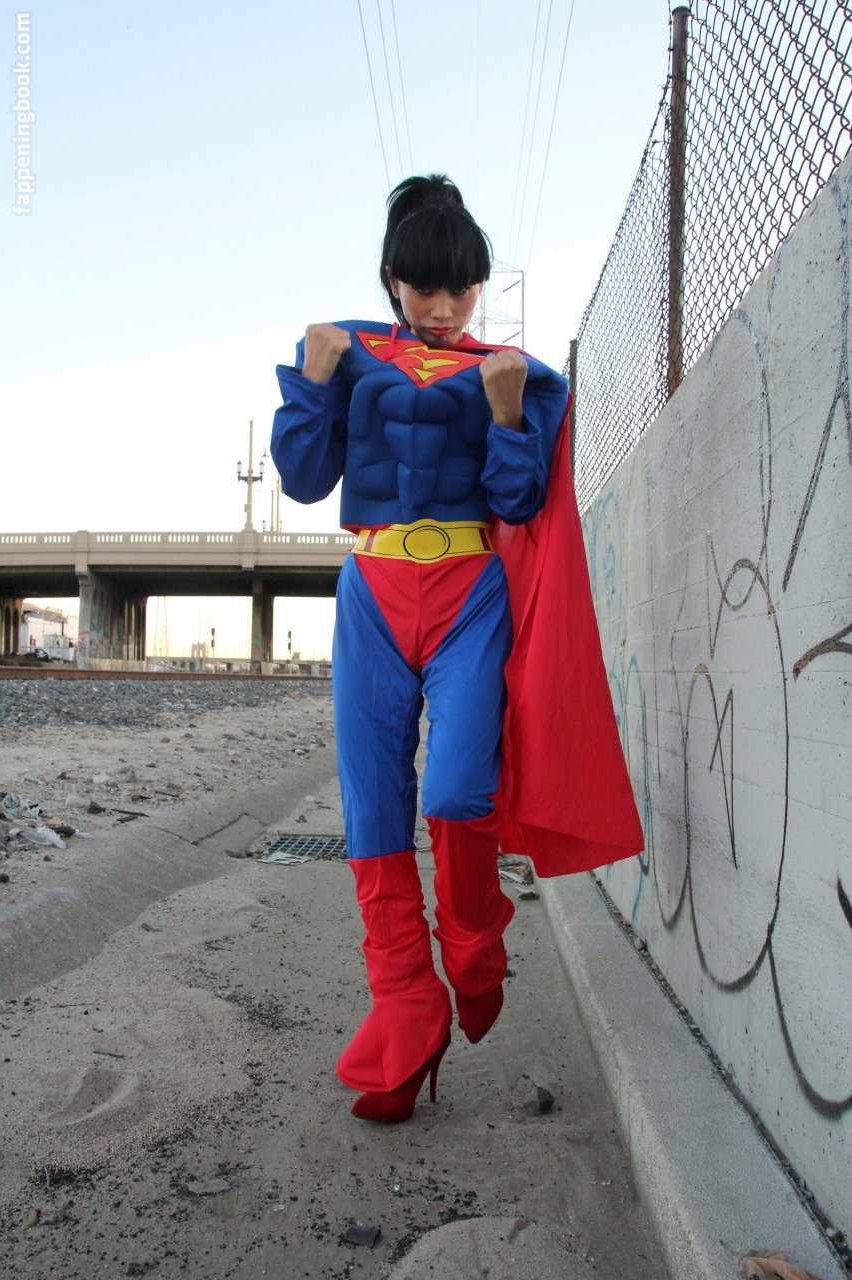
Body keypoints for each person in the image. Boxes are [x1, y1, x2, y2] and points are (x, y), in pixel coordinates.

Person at [270, 173, 642, 1124]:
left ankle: (475, 947)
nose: (441, 308)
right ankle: (405, 1006)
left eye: (461, 289)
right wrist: (310, 378)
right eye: (423, 287)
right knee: (372, 806)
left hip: (471, 592)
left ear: (479, 286)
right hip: (373, 590)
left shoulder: (507, 372)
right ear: (392, 280)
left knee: (456, 791)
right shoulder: (347, 354)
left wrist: (510, 414)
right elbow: (305, 480)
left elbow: (517, 503)